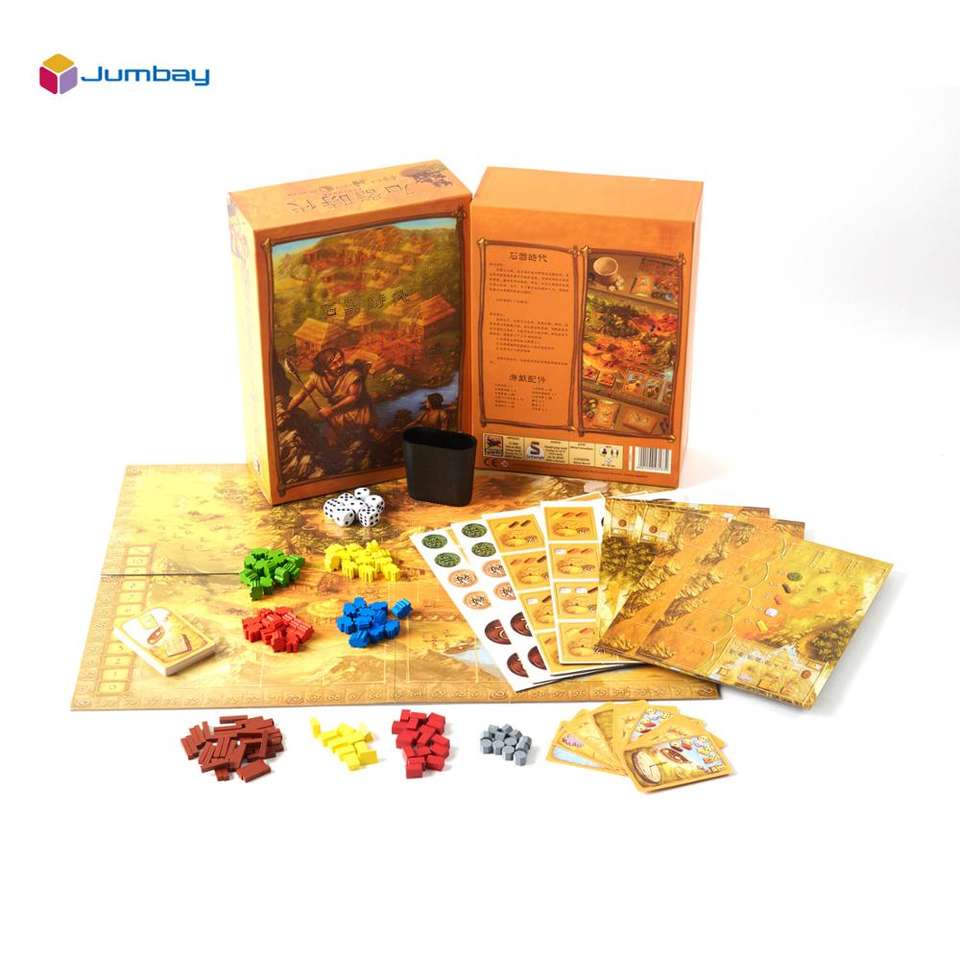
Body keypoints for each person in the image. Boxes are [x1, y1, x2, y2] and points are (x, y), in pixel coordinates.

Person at [285, 348, 379, 444]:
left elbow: (353, 397)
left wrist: (331, 410)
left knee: (369, 438)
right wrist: (288, 410)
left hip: (359, 412)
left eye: (340, 359)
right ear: (324, 369)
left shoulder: (353, 374)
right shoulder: (316, 378)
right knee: (332, 441)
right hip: (337, 414)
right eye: (334, 363)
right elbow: (302, 394)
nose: (340, 364)